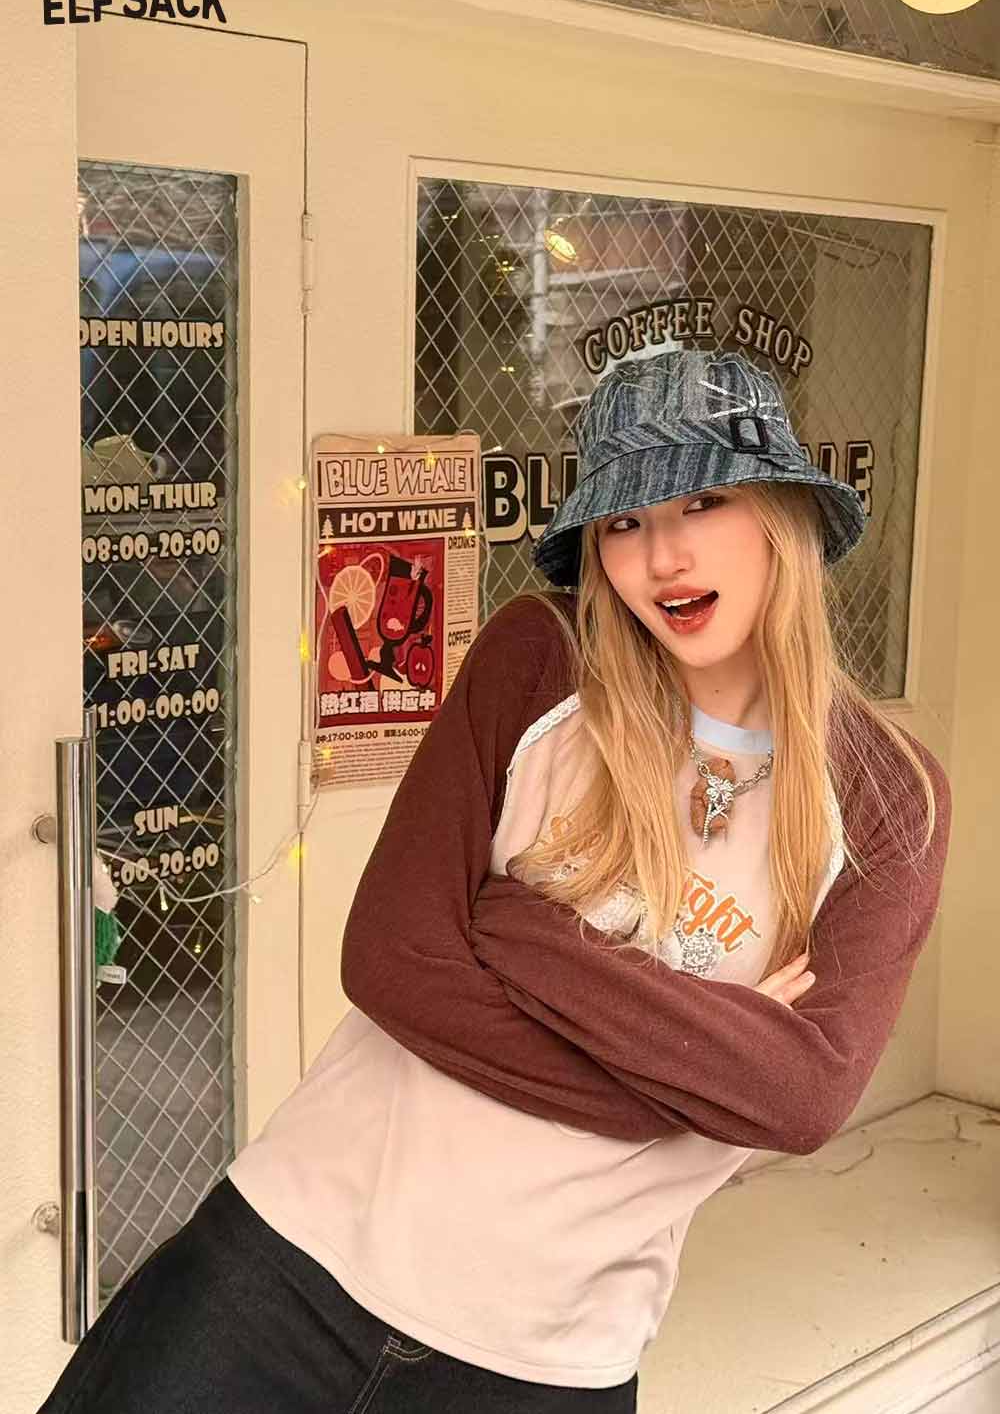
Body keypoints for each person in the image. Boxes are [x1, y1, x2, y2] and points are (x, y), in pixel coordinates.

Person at [39, 346, 951, 1414]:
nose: (664, 557)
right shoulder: (541, 661)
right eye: (624, 521)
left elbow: (801, 1096)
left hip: (547, 1359)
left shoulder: (885, 797)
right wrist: (691, 1079)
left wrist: (524, 935)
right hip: (283, 1263)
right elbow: (392, 963)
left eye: (704, 501)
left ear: (782, 514)